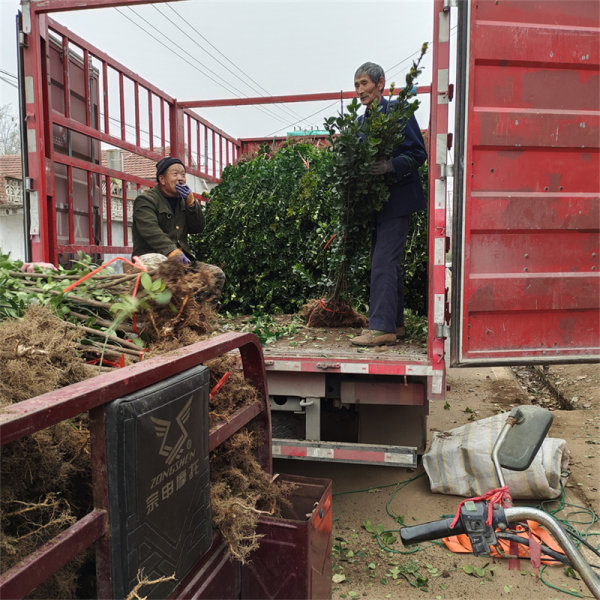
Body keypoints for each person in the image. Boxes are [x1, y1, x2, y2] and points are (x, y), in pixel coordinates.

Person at [350, 62, 427, 347]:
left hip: (398, 201)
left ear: (381, 83)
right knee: (385, 261)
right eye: (357, 85)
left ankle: (381, 328)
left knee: (383, 261)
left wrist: (390, 166)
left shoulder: (397, 113)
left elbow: (419, 153)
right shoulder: (359, 124)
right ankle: (395, 323)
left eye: (365, 83)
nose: (360, 90)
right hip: (375, 205)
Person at [132, 156, 224, 298]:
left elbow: (198, 228)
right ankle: (163, 315)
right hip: (153, 258)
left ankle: (198, 315)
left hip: (181, 261)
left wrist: (191, 204)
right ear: (162, 179)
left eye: (183, 174)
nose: (180, 178)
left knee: (216, 274)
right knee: (165, 269)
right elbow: (151, 231)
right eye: (175, 174)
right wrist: (172, 252)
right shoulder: (146, 200)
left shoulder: (183, 200)